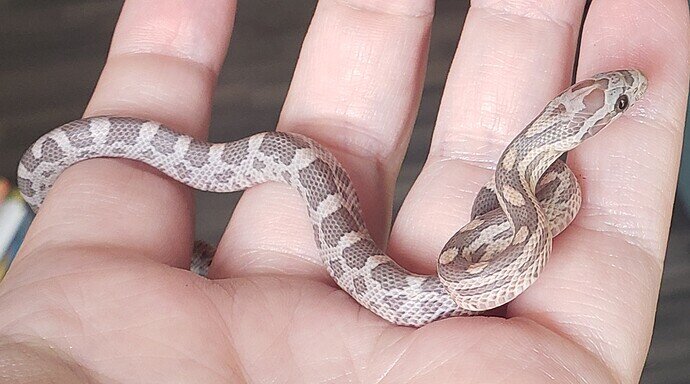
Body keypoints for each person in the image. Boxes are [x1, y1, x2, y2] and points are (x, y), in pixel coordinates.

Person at [0, 1, 688, 382]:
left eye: (616, 97)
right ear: (575, 110)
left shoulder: (524, 188)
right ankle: (44, 175)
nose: (626, 92)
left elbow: (470, 256)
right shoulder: (521, 194)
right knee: (294, 160)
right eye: (616, 98)